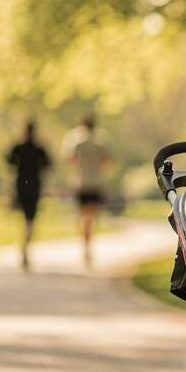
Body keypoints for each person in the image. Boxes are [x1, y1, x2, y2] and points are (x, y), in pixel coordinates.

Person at [64, 115, 111, 268]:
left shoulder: (78, 143)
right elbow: (107, 161)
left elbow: (70, 160)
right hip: (95, 183)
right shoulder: (99, 144)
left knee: (82, 216)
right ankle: (88, 245)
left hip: (82, 183)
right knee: (91, 216)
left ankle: (85, 245)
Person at [7, 120, 51, 270]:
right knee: (30, 218)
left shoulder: (19, 147)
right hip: (33, 186)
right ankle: (26, 243)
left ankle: (24, 244)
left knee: (24, 217)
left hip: (22, 185)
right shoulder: (38, 149)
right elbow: (47, 165)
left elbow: (9, 161)